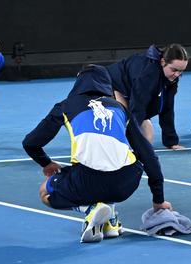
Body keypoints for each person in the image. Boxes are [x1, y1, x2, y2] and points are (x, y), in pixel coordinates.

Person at [24, 64, 173, 243]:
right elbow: (149, 155)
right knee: (122, 161)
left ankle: (89, 209)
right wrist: (159, 201)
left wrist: (46, 162)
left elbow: (30, 143)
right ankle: (111, 218)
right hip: (126, 183)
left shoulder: (65, 106)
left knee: (45, 192)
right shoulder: (120, 109)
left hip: (87, 181)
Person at [106, 43, 188, 151]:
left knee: (147, 140)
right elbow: (138, 107)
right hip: (109, 85)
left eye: (181, 71)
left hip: (129, 92)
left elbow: (167, 108)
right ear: (163, 62)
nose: (177, 75)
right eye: (174, 70)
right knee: (132, 136)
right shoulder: (148, 74)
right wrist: (130, 142)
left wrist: (171, 142)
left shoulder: (171, 78)